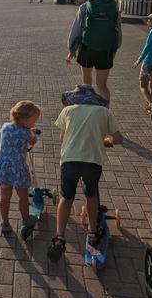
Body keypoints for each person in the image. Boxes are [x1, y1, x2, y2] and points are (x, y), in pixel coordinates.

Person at [47, 94, 124, 262]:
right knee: (91, 195)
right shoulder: (104, 112)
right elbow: (118, 138)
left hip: (70, 160)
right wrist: (105, 140)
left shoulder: (67, 110)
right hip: (92, 161)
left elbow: (62, 138)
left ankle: (59, 237)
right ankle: (92, 232)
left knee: (66, 198)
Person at [0, 101, 40, 237]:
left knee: (5, 196)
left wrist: (28, 130)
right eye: (33, 120)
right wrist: (32, 133)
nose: (35, 123)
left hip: (4, 168)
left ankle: (5, 223)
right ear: (24, 119)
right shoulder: (26, 134)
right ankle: (26, 220)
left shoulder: (5, 127)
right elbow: (32, 140)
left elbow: (18, 132)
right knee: (23, 196)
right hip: (18, 169)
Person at [66, 0, 122, 102]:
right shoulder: (114, 8)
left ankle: (89, 110)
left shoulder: (85, 7)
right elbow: (118, 31)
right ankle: (105, 112)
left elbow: (76, 30)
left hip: (87, 48)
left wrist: (71, 50)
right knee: (102, 85)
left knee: (87, 84)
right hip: (106, 50)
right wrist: (114, 49)